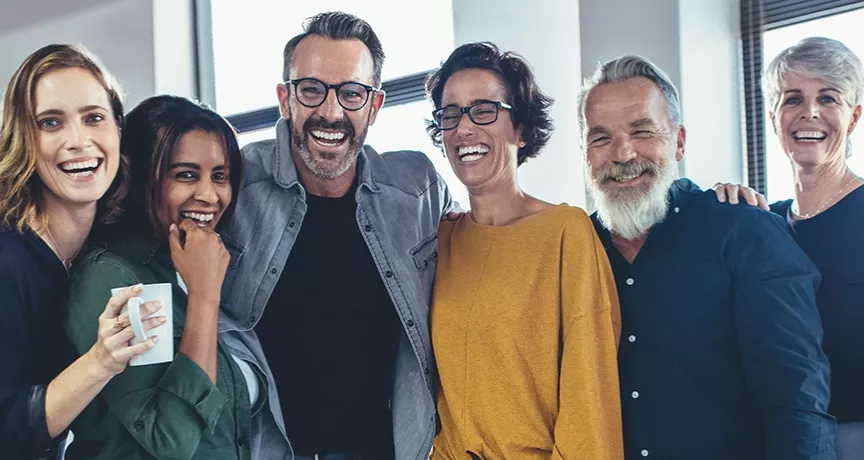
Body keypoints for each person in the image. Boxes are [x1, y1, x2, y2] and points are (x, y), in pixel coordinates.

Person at [218, 11, 457, 460]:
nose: (331, 112)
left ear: (375, 106)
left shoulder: (417, 188)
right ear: (285, 99)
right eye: (311, 89)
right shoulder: (233, 186)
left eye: (351, 93)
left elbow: (481, 255)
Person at [579, 54, 835, 459]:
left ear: (679, 141)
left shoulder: (744, 232)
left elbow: (796, 403)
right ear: (585, 153)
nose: (623, 154)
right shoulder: (573, 250)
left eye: (642, 130)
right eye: (600, 138)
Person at [423, 42, 623, 459]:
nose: (464, 128)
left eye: (484, 110)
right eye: (451, 114)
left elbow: (591, 398)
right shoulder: (439, 241)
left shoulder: (565, 232)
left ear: (520, 129)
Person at [64, 95, 256, 460]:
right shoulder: (114, 277)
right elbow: (170, 439)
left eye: (220, 176)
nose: (209, 195)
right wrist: (204, 297)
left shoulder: (190, 265)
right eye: (185, 175)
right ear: (139, 178)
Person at [0, 44, 164, 460]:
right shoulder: (8, 261)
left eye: (94, 118)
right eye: (51, 123)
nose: (79, 141)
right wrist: (102, 361)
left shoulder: (104, 246)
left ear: (117, 129)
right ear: (25, 139)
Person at [714, 36, 864, 458]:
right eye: (792, 98)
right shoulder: (762, 223)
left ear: (853, 117)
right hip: (783, 439)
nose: (809, 112)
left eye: (828, 98)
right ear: (774, 117)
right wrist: (721, 207)